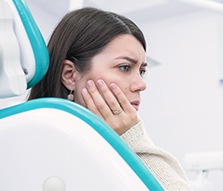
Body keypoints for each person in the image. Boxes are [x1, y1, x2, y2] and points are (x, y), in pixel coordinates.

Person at [28, 7, 192, 191]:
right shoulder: (31, 148)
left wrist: (132, 137)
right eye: (124, 67)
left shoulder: (109, 150)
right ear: (70, 75)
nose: (141, 84)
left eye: (142, 71)